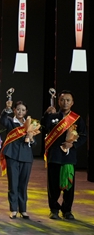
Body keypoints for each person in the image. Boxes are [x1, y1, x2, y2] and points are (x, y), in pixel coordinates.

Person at [42, 90, 87, 220]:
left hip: (69, 157)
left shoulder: (77, 119)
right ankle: (54, 209)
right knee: (53, 185)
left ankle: (67, 210)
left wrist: (73, 144)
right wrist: (47, 114)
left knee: (69, 185)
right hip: (54, 156)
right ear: (58, 101)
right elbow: (43, 126)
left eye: (68, 100)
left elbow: (83, 136)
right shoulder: (53, 116)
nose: (65, 102)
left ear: (72, 103)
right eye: (62, 100)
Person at [0, 100, 34, 219]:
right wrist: (6, 109)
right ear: (14, 110)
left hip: (26, 157)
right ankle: (13, 209)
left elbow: (34, 142)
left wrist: (31, 138)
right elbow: (2, 120)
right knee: (13, 184)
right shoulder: (10, 121)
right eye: (18, 109)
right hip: (12, 155)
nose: (20, 112)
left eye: (23, 110)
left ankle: (23, 209)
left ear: (26, 112)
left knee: (23, 184)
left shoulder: (30, 124)